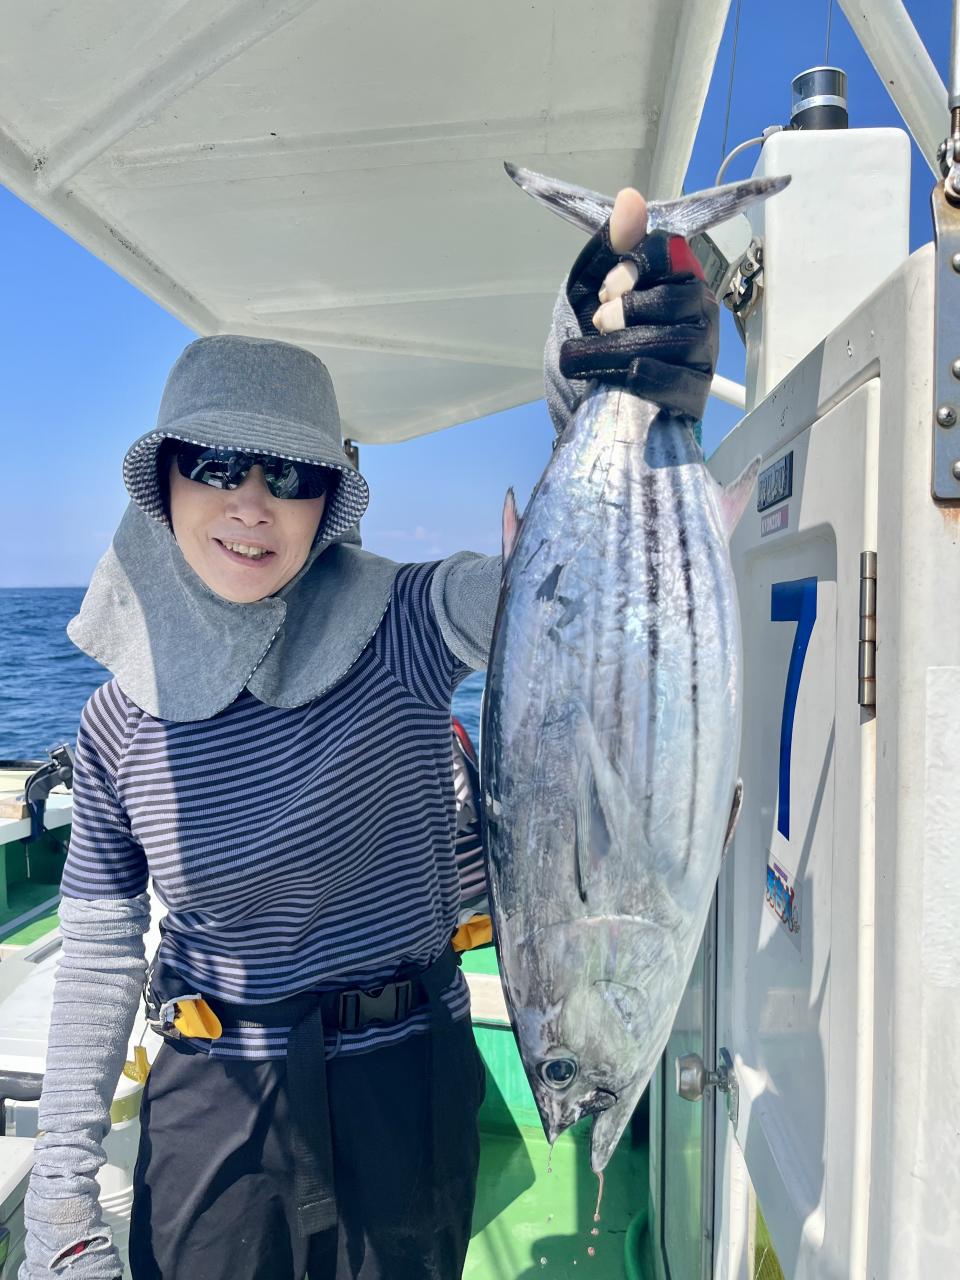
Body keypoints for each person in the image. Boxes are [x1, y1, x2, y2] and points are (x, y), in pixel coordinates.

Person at [20, 187, 717, 1280]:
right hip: (212, 1092)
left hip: (405, 1080)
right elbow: (104, 949)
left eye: (290, 476)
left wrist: (589, 380)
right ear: (163, 480)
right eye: (217, 465)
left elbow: (559, 594)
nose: (252, 504)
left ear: (329, 502)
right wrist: (62, 1183)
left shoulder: (404, 623)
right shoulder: (115, 720)